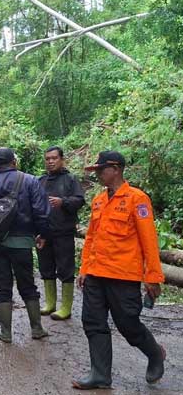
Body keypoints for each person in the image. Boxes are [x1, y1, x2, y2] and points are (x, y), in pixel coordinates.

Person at [73, 151, 165, 389]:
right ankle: (100, 375)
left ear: (116, 169)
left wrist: (153, 277)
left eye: (101, 170)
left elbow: (149, 241)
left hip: (123, 276)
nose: (99, 175)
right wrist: (84, 269)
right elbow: (91, 238)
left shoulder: (137, 199)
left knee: (128, 324)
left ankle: (155, 354)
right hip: (95, 274)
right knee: (93, 322)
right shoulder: (99, 201)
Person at [0, 147, 50, 343]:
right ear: (14, 162)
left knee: (2, 286)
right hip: (22, 243)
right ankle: (37, 328)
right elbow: (41, 211)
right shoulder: (31, 181)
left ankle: (6, 332)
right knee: (28, 284)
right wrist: (42, 234)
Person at [38, 146, 85, 320]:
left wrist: (63, 202)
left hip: (64, 232)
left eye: (54, 158)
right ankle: (50, 304)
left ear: (62, 159)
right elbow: (34, 205)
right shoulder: (40, 181)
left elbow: (80, 200)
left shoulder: (70, 179)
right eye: (47, 159)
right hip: (44, 233)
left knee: (65, 269)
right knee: (46, 268)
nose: (50, 162)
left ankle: (66, 307)